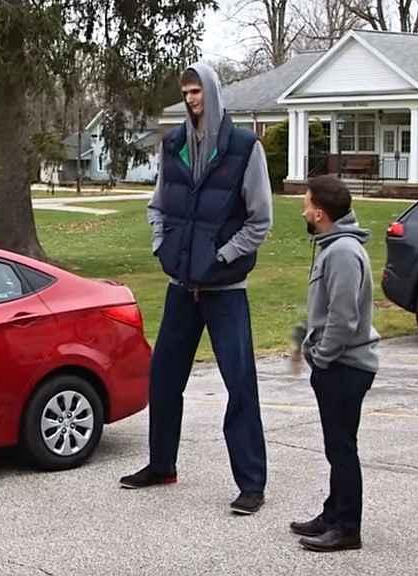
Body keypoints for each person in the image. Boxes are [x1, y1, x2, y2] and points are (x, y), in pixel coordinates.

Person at [119, 62, 273, 516]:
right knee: (163, 379)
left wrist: (221, 256)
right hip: (180, 286)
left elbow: (260, 220)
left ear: (212, 92)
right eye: (185, 92)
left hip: (226, 291)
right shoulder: (174, 144)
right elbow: (157, 206)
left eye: (197, 91)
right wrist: (162, 247)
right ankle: (161, 465)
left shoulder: (245, 149)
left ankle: (252, 484)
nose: (191, 100)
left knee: (240, 386)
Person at [291, 175, 380, 552]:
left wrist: (322, 358)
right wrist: (305, 342)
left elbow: (343, 318)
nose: (303, 208)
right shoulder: (333, 245)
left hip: (345, 366)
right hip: (338, 365)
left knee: (342, 448)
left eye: (307, 202)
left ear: (321, 213)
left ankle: (347, 529)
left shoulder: (342, 253)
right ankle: (333, 513)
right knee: (337, 446)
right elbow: (323, 312)